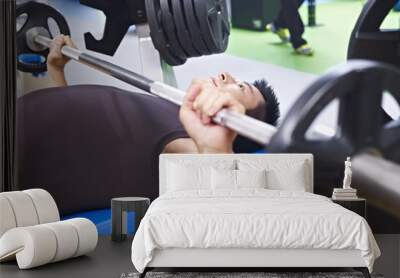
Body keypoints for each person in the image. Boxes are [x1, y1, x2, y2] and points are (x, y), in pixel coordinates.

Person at [17, 35, 281, 213]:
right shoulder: (175, 108)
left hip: (21, 157)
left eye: (239, 87)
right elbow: (81, 140)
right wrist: (56, 71)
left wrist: (219, 145)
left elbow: (213, 164)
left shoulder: (188, 145)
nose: (225, 75)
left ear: (233, 125)